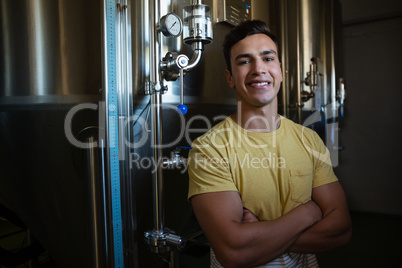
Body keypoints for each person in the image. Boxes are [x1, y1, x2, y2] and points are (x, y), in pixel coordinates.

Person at [187, 20, 352, 268]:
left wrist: (261, 234)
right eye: (244, 61)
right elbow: (234, 252)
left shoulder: (308, 139)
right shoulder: (209, 149)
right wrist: (309, 212)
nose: (258, 69)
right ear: (230, 78)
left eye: (267, 58)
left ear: (280, 70)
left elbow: (341, 230)